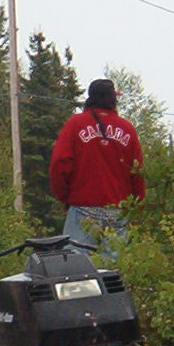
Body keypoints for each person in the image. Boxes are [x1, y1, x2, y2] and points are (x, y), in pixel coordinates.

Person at [48, 78, 145, 262]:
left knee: (75, 269)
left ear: (90, 99)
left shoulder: (75, 124)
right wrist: (137, 209)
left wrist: (64, 197)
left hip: (82, 209)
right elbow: (137, 173)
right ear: (113, 99)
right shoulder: (127, 129)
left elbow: (60, 163)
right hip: (118, 211)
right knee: (114, 271)